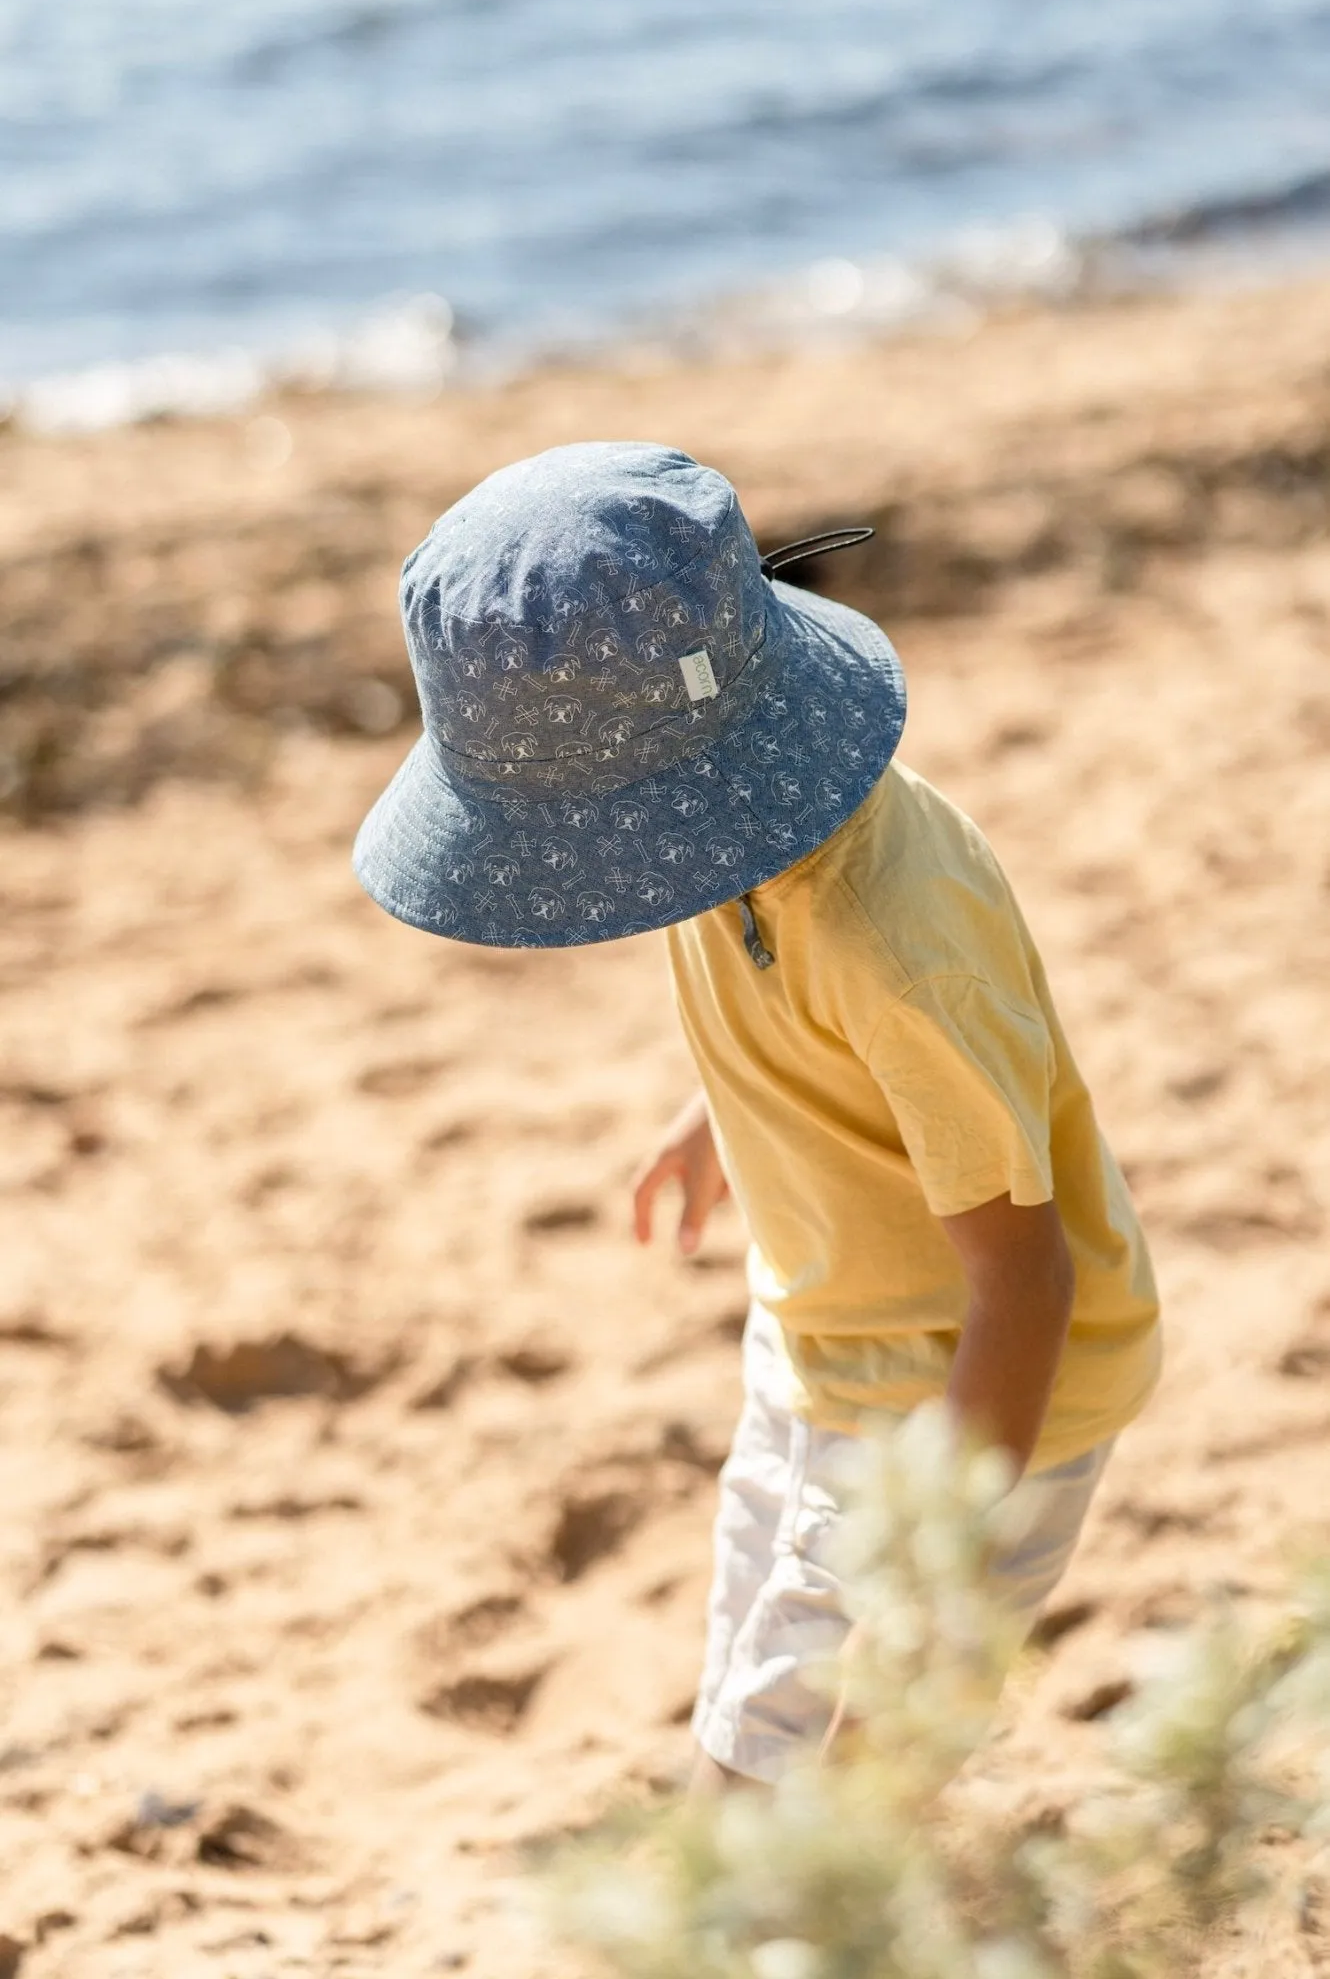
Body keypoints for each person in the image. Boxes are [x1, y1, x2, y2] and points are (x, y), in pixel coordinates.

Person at [353, 440, 1161, 1791]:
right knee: (745, 1696)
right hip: (820, 1332)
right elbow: (812, 1031)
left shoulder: (889, 951)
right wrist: (714, 1112)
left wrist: (926, 1572)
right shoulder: (754, 833)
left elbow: (1022, 1283)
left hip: (955, 1401)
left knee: (812, 1777)